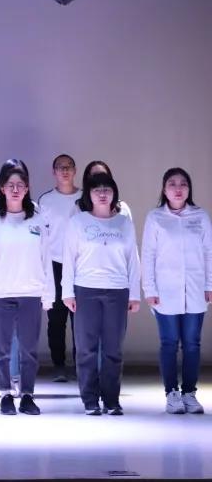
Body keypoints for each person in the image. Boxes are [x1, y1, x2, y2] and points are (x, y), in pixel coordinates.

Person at [0, 159, 52, 416]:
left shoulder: (37, 216)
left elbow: (45, 256)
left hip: (31, 292)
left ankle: (27, 394)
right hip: (0, 292)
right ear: (2, 188)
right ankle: (5, 394)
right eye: (10, 185)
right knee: (2, 349)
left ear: (27, 188)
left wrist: (48, 294)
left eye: (20, 185)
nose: (16, 189)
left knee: (29, 349)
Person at [62, 171, 140, 416]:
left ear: (114, 193)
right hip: (86, 289)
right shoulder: (78, 222)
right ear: (89, 194)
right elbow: (69, 258)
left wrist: (134, 294)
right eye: (97, 190)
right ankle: (90, 399)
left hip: (117, 290)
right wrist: (67, 292)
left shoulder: (124, 222)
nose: (102, 194)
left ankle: (112, 399)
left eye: (107, 189)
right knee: (86, 348)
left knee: (113, 349)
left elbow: (133, 260)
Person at [142, 167, 212, 414]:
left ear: (189, 189)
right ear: (164, 189)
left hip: (195, 290)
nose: (178, 188)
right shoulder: (155, 218)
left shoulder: (200, 217)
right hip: (165, 291)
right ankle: (171, 393)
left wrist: (209, 285)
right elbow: (148, 255)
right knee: (169, 343)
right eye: (172, 183)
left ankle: (190, 393)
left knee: (192, 343)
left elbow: (209, 252)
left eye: (183, 184)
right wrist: (149, 288)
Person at [38, 153, 82, 382]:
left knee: (80, 320)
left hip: (81, 264)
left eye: (69, 166)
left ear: (75, 170)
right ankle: (59, 365)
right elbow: (41, 237)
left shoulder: (85, 198)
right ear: (53, 172)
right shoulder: (45, 201)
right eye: (60, 167)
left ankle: (81, 364)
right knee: (56, 319)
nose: (65, 171)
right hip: (54, 264)